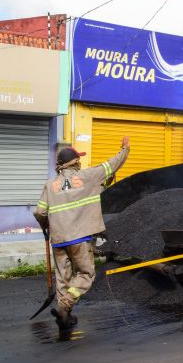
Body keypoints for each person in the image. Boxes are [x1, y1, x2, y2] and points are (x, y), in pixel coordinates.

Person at [33, 137, 130, 330]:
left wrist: (46, 226)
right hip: (80, 238)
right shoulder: (87, 177)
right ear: (76, 162)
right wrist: (125, 149)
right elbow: (112, 165)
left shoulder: (50, 185)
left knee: (63, 279)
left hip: (59, 240)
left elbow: (39, 212)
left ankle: (64, 317)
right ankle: (65, 305)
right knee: (86, 274)